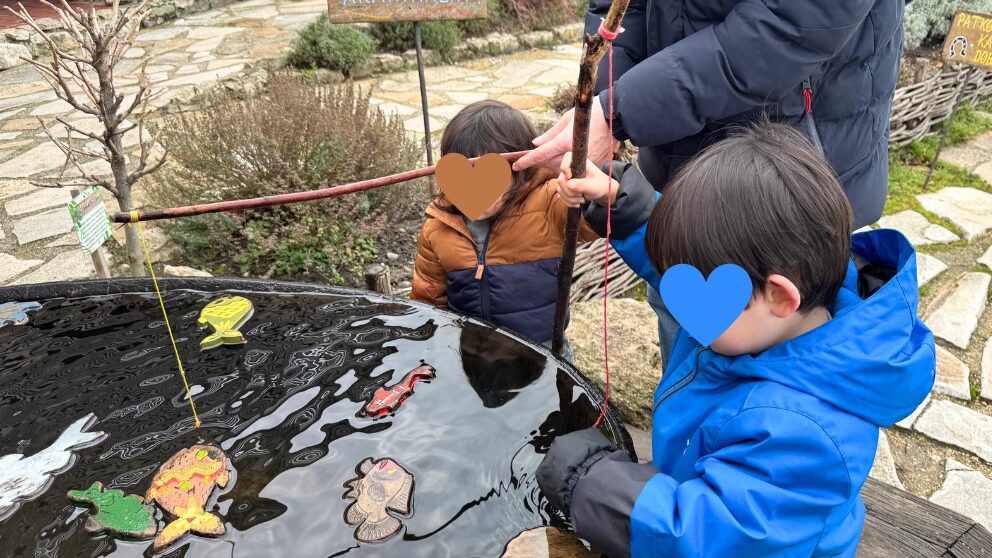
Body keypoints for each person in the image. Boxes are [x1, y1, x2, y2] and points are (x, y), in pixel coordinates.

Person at [536, 123, 935, 557]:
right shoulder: (761, 315)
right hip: (698, 479)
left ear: (779, 295)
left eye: (700, 293)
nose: (685, 308)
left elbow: (711, 536)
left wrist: (591, 484)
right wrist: (624, 205)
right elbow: (695, 270)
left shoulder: (803, 433)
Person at [514, 0, 905, 368]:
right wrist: (612, 108)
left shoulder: (791, 430)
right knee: (686, 337)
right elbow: (617, 9)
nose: (689, 305)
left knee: (772, 356)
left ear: (780, 296)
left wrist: (622, 108)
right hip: (679, 163)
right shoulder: (695, 277)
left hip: (784, 193)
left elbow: (791, 22)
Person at [410, 100, 599, 352]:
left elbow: (596, 219)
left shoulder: (548, 203)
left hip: (542, 353)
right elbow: (428, 300)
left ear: (520, 169)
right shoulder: (437, 228)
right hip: (468, 355)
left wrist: (593, 188)